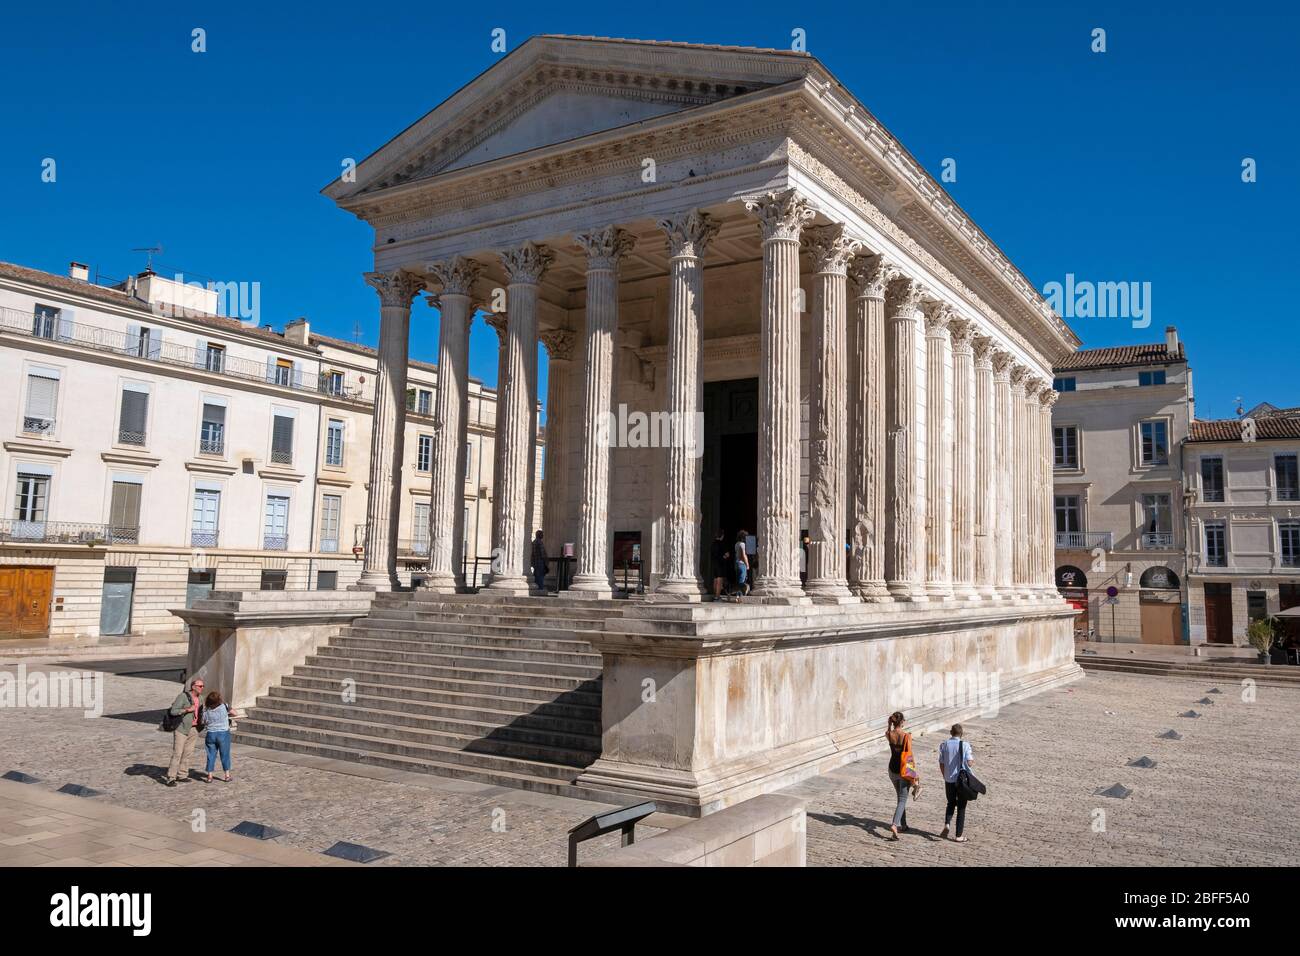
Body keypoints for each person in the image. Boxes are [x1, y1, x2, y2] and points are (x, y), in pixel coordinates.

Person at [164, 678, 205, 786]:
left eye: (203, 686)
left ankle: (182, 775)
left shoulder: (201, 698)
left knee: (188, 753)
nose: (202, 688)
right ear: (193, 687)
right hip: (181, 729)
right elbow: (173, 711)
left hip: (194, 729)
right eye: (200, 686)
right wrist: (187, 710)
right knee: (177, 753)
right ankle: (171, 777)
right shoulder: (183, 696)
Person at [938, 724, 974, 842]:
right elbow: (969, 763)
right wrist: (970, 760)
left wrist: (945, 776)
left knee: (950, 803)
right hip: (961, 781)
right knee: (962, 807)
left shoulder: (944, 745)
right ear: (961, 733)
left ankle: (947, 824)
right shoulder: (965, 745)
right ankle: (958, 835)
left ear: (950, 732)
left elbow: (941, 763)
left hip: (949, 780)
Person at [885, 711, 914, 840]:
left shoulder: (889, 734)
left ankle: (904, 825)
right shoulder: (906, 736)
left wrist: (889, 725)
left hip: (892, 769)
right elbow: (909, 755)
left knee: (900, 798)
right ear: (902, 722)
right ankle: (895, 824)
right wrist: (914, 775)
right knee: (902, 799)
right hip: (903, 770)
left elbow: (887, 732)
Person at [201, 690, 238, 783]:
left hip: (211, 734)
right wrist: (226, 715)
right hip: (223, 733)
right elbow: (235, 713)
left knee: (211, 755)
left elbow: (204, 721)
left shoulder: (206, 710)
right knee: (225, 754)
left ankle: (209, 776)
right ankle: (227, 775)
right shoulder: (224, 706)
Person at [709, 529, 730, 600]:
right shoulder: (722, 544)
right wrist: (724, 556)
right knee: (719, 579)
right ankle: (717, 596)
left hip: (714, 563)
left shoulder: (713, 544)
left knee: (715, 579)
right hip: (720, 564)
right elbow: (727, 555)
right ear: (722, 536)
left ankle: (714, 595)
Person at [733, 530, 751, 597]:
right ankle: (739, 596)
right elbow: (743, 555)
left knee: (738, 580)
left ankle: (737, 595)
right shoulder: (742, 544)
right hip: (742, 563)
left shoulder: (736, 544)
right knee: (742, 581)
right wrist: (747, 564)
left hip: (737, 563)